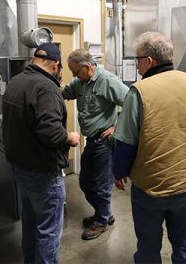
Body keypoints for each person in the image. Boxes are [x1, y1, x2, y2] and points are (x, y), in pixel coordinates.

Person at [112, 31, 186, 263]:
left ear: (149, 61)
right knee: (185, 246)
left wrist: (119, 173)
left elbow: (125, 141)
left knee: (148, 247)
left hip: (153, 185)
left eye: (137, 59)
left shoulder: (140, 91)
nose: (136, 65)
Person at [2, 43, 80, 264]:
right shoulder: (46, 88)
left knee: (30, 222)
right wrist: (70, 138)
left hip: (21, 168)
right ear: (55, 65)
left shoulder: (16, 82)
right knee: (48, 230)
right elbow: (51, 133)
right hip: (43, 172)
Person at [62, 49, 129, 240]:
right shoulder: (80, 83)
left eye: (75, 71)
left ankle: (101, 221)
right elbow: (64, 93)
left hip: (104, 143)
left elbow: (132, 103)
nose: (73, 75)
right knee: (85, 183)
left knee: (101, 186)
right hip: (91, 141)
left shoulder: (107, 80)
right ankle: (104, 212)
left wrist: (117, 126)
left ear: (86, 67)